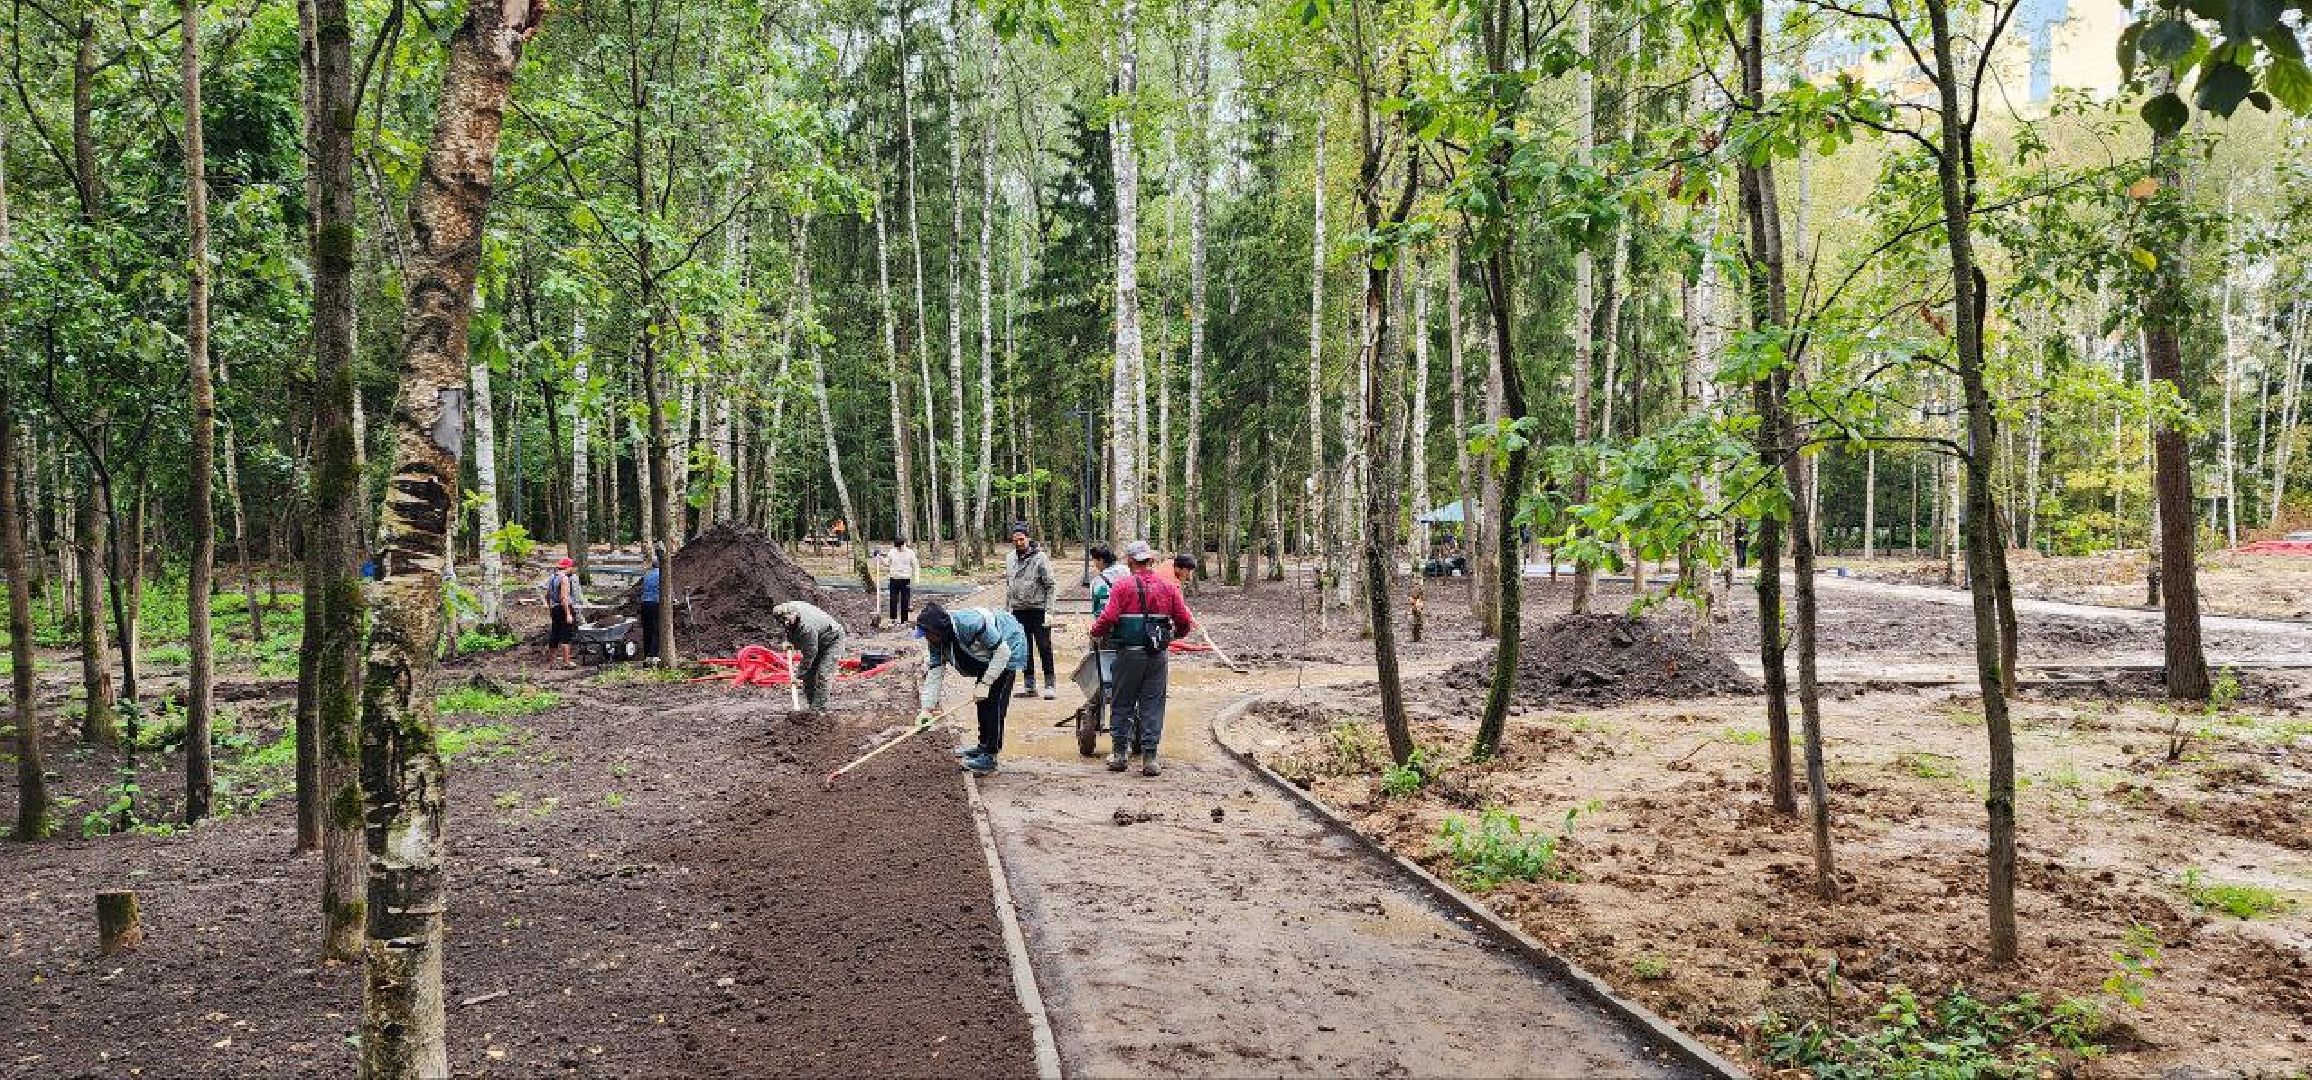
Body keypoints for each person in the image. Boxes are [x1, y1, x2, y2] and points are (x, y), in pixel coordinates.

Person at [1088, 541, 1195, 777]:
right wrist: (1173, 636)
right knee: (1153, 704)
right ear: (1151, 561)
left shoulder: (1122, 586)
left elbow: (1108, 617)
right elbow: (1185, 621)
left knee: (1122, 702)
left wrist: (1094, 632)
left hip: (1128, 653)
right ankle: (1150, 758)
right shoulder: (1168, 587)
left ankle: (1119, 755)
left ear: (1129, 561)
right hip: (1157, 655)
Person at [916, 602, 1028, 775]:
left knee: (993, 702)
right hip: (988, 657)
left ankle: (990, 756)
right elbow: (935, 673)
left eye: (928, 634)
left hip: (1008, 644)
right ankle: (982, 746)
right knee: (982, 702)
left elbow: (1002, 652)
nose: (927, 639)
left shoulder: (971, 625)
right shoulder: (936, 641)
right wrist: (926, 709)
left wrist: (986, 682)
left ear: (939, 630)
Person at [1004, 522, 1057, 699]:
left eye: (1021, 539)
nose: (1018, 543)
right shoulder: (1010, 558)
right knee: (1023, 648)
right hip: (1018, 610)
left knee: (1044, 646)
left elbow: (1050, 585)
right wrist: (1007, 610)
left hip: (1038, 609)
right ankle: (1029, 685)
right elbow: (1008, 585)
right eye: (1015, 540)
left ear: (1028, 538)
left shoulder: (1040, 558)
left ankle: (1050, 684)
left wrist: (1049, 611)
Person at [773, 600, 846, 712]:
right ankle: (812, 708)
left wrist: (798, 676)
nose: (785, 624)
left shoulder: (807, 628)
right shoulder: (788, 608)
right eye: (783, 622)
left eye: (787, 620)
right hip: (818, 637)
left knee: (823, 674)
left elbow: (809, 654)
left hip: (832, 640)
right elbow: (789, 628)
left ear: (794, 615)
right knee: (808, 676)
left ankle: (819, 711)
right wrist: (789, 641)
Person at [542, 557, 582, 668]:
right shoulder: (564, 579)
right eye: (571, 567)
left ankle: (552, 662)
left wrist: (550, 609)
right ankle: (567, 662)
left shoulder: (551, 577)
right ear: (568, 567)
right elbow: (564, 598)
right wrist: (568, 614)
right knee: (566, 635)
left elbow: (547, 595)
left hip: (555, 608)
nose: (572, 569)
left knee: (554, 634)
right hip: (563, 608)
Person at [883, 537, 919, 622]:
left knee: (905, 600)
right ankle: (893, 618)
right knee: (893, 599)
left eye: (900, 547)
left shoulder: (910, 553)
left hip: (905, 579)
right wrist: (880, 558)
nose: (898, 548)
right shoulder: (892, 552)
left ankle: (904, 620)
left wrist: (916, 579)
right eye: (897, 547)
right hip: (894, 579)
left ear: (904, 544)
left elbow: (915, 566)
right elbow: (887, 563)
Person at [638, 561, 662, 662]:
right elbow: (667, 590)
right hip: (655, 604)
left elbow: (642, 589)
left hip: (644, 604)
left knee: (647, 629)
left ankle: (647, 655)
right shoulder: (661, 575)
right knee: (656, 629)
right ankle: (654, 655)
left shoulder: (647, 575)